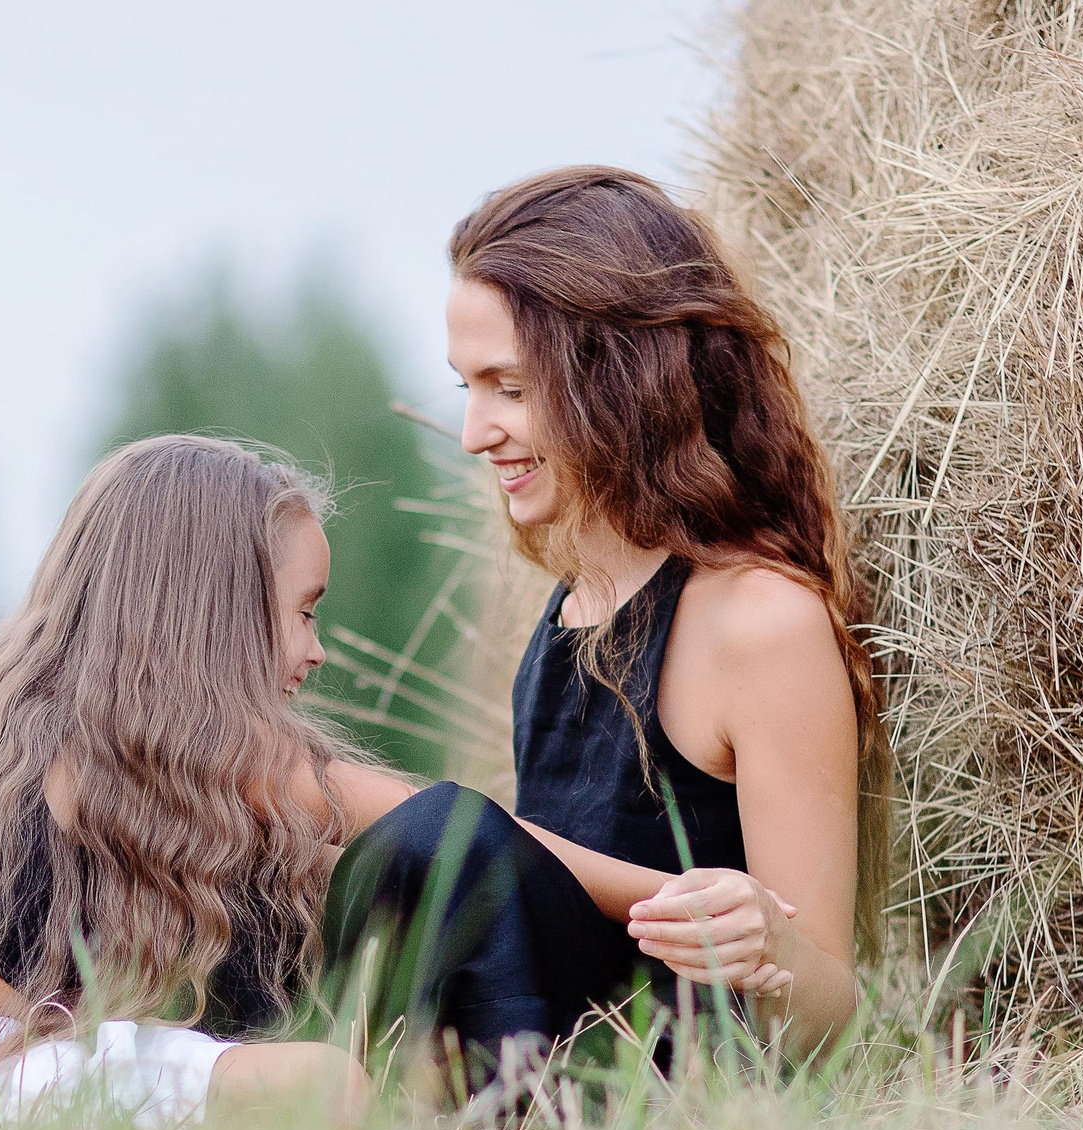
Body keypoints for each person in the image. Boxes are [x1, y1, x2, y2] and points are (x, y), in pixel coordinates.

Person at [322, 166, 887, 1071]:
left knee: (439, 836)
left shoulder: (760, 623)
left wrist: (768, 950)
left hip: (668, 1092)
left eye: (508, 387)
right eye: (467, 385)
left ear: (618, 378)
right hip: (544, 1053)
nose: (472, 432)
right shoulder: (573, 606)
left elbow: (826, 1014)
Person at [0, 434, 396, 1130]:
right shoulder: (3, 799)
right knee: (322, 1084)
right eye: (304, 613)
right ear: (213, 622)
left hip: (60, 1089)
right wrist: (314, 785)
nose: (318, 650)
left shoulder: (211, 815)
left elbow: (452, 844)